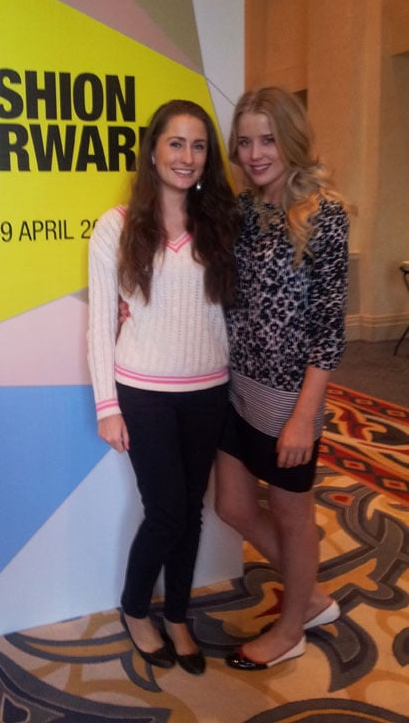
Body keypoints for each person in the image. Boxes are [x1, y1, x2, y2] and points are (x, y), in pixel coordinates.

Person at [87, 99, 240, 674]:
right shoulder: (117, 226)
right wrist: (107, 406)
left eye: (199, 146)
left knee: (192, 511)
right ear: (153, 150)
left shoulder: (219, 224)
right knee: (166, 512)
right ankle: (134, 608)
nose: (187, 156)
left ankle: (177, 615)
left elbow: (225, 317)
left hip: (208, 391)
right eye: (176, 143)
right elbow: (100, 324)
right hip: (143, 393)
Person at [215, 87, 349, 670]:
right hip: (237, 386)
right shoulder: (244, 210)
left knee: (295, 520)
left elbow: (328, 329)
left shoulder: (324, 214)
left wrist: (303, 416)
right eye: (245, 142)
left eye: (267, 140)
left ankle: (292, 628)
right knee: (233, 506)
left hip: (290, 398)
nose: (254, 154)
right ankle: (309, 596)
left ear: (291, 140)